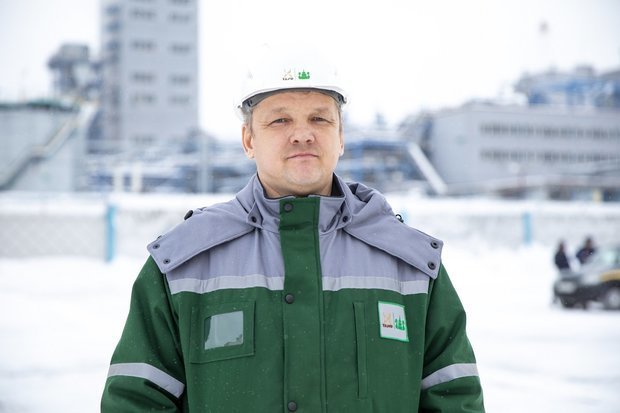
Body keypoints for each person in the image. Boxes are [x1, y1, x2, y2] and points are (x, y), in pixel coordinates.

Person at [101, 47, 485, 412]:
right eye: (280, 120)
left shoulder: (412, 267)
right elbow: (136, 400)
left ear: (341, 137)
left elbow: (454, 398)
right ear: (248, 139)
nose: (302, 134)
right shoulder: (182, 265)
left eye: (319, 119)